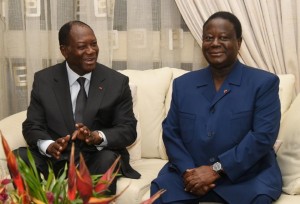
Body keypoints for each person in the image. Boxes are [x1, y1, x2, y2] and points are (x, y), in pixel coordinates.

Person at [150, 11, 282, 204]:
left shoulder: (263, 83)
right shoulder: (183, 85)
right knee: (160, 196)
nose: (214, 43)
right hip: (190, 175)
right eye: (208, 38)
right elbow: (171, 132)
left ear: (239, 42)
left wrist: (215, 169)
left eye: (224, 37)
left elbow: (262, 137)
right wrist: (189, 172)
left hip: (246, 176)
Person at [14, 20, 140, 194]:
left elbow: (128, 129)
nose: (91, 51)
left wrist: (97, 136)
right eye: (82, 46)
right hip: (56, 159)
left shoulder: (116, 82)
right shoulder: (44, 80)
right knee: (20, 156)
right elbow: (32, 125)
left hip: (95, 157)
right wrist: (50, 146)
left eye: (94, 44)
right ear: (64, 50)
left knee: (108, 159)